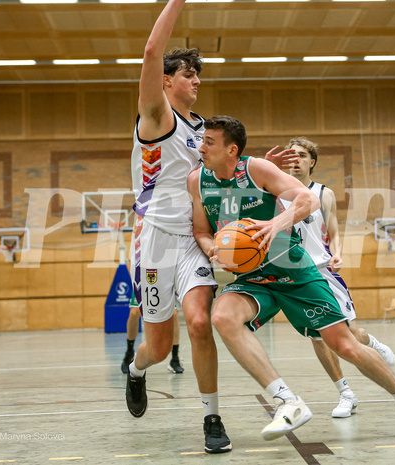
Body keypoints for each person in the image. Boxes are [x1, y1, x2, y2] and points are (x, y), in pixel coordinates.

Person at [187, 115, 395, 441]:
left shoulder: (256, 169)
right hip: (251, 278)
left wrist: (278, 222)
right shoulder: (197, 181)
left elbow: (309, 198)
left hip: (294, 270)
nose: (200, 147)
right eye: (202, 141)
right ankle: (288, 401)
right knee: (222, 316)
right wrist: (213, 247)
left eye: (209, 142)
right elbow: (201, 230)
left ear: (232, 150)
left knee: (344, 345)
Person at [124, 0, 295, 453]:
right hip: (156, 243)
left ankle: (211, 417)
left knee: (201, 322)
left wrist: (256, 168)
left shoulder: (203, 131)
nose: (196, 80)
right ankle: (137, 370)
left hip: (196, 241)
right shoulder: (155, 117)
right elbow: (149, 52)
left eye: (198, 75)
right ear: (165, 80)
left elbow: (222, 170)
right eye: (187, 73)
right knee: (158, 347)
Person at [283, 137, 395, 418]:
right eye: (290, 154)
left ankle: (372, 343)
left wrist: (338, 254)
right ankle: (345, 393)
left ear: (312, 162)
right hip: (296, 278)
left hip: (323, 272)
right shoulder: (276, 193)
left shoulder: (324, 194)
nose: (294, 159)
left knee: (352, 336)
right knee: (319, 338)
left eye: (301, 155)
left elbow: (333, 232)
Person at [120, 295, 184, 375]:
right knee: (134, 313)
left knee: (173, 314)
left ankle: (175, 358)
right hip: (144, 283)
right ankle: (129, 352)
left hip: (165, 283)